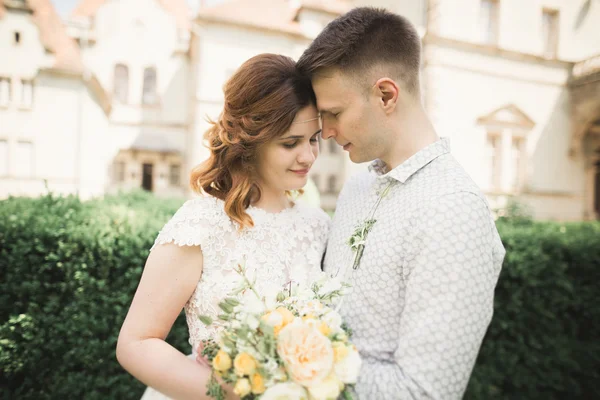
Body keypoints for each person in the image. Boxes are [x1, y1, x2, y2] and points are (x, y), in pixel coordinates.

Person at [297, 7, 506, 399]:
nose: (324, 132)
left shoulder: (454, 211)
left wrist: (288, 369)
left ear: (386, 94)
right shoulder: (355, 188)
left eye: (334, 113)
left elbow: (424, 393)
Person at [116, 53, 330, 400]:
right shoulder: (200, 225)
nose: (308, 156)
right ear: (252, 141)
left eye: (314, 139)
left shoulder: (319, 226)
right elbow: (136, 343)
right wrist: (232, 394)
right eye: (290, 143)